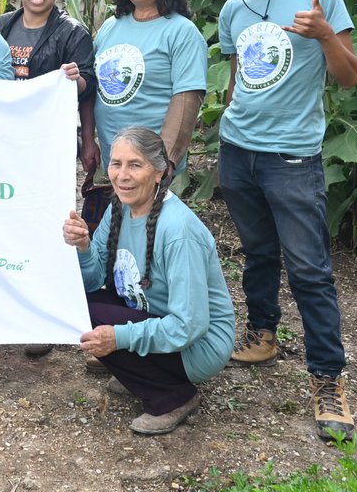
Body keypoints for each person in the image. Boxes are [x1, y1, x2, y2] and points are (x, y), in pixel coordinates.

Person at [205, 0, 357, 441]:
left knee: (310, 268)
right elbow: (237, 78)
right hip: (237, 149)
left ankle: (328, 379)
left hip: (293, 156)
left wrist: (322, 35)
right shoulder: (233, 9)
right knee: (258, 252)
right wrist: (228, 127)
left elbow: (349, 77)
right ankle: (263, 332)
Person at [62, 127, 235, 436]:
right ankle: (143, 372)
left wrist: (119, 339)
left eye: (135, 165)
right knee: (77, 304)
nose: (122, 175)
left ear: (159, 172)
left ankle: (172, 397)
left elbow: (189, 325)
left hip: (200, 344)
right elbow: (89, 283)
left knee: (99, 321)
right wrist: (84, 247)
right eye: (116, 164)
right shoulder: (119, 207)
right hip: (156, 316)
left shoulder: (178, 231)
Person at [0, 0, 97, 359]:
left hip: (48, 148)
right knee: (6, 219)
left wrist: (76, 83)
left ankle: (44, 316)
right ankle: (9, 305)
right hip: (2, 146)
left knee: (47, 223)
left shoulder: (72, 32)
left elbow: (88, 87)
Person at [91, 0, 207, 176]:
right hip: (113, 160)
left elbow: (187, 98)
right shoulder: (110, 27)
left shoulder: (181, 31)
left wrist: (166, 162)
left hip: (153, 165)